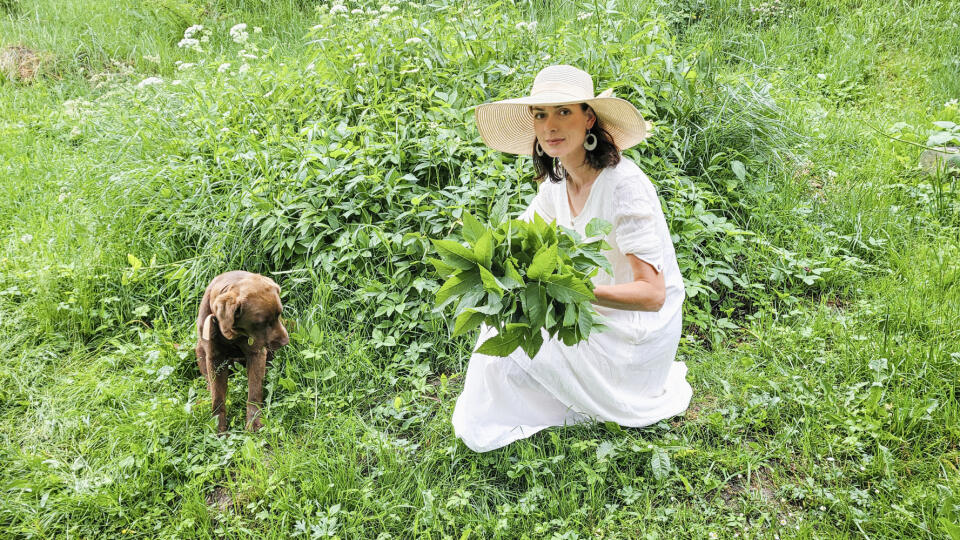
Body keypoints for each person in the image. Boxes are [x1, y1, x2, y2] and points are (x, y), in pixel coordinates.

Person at [451, 65, 692, 452]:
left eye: (564, 112)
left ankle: (595, 392)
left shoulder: (623, 186)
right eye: (540, 114)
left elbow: (653, 295)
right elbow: (519, 240)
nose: (550, 126)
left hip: (631, 334)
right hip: (584, 310)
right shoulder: (556, 182)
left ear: (589, 118)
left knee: (512, 362)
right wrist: (484, 257)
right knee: (500, 339)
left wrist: (573, 291)